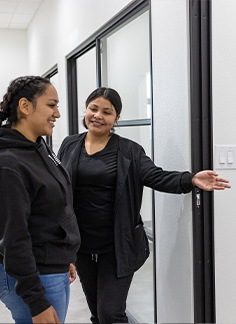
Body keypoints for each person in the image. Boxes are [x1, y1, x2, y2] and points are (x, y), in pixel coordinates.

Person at [58, 87, 231, 324]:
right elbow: (60, 188)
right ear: (86, 110)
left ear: (116, 118)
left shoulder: (129, 150)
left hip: (118, 245)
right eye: (93, 108)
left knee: (111, 313)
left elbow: (155, 176)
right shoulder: (70, 144)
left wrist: (190, 179)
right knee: (97, 313)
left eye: (107, 112)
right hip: (82, 245)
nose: (98, 115)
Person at [0, 75, 81, 324]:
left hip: (52, 267)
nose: (57, 113)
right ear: (25, 106)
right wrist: (36, 302)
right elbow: (14, 238)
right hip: (34, 277)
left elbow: (54, 208)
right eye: (51, 104)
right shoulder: (9, 164)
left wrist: (64, 254)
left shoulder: (38, 146)